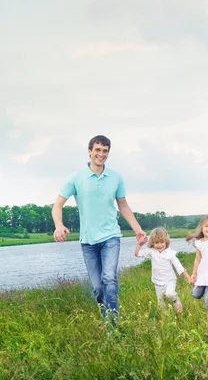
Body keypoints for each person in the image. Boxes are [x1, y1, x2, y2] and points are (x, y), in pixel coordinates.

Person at [52, 135, 147, 324]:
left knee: (109, 280)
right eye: (97, 150)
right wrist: (59, 225)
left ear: (108, 153)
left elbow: (123, 205)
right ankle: (107, 317)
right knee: (97, 288)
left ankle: (112, 327)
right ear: (89, 151)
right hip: (87, 241)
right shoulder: (76, 177)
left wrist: (137, 229)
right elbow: (57, 205)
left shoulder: (115, 178)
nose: (101, 154)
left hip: (111, 236)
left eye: (105, 151)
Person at [135, 227, 191, 313]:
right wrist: (139, 244)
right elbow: (137, 254)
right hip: (157, 282)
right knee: (161, 304)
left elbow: (179, 267)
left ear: (166, 241)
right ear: (153, 243)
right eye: (156, 243)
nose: (159, 245)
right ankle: (165, 319)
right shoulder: (152, 251)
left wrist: (188, 278)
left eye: (162, 242)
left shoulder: (170, 253)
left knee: (170, 294)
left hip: (170, 280)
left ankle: (176, 299)